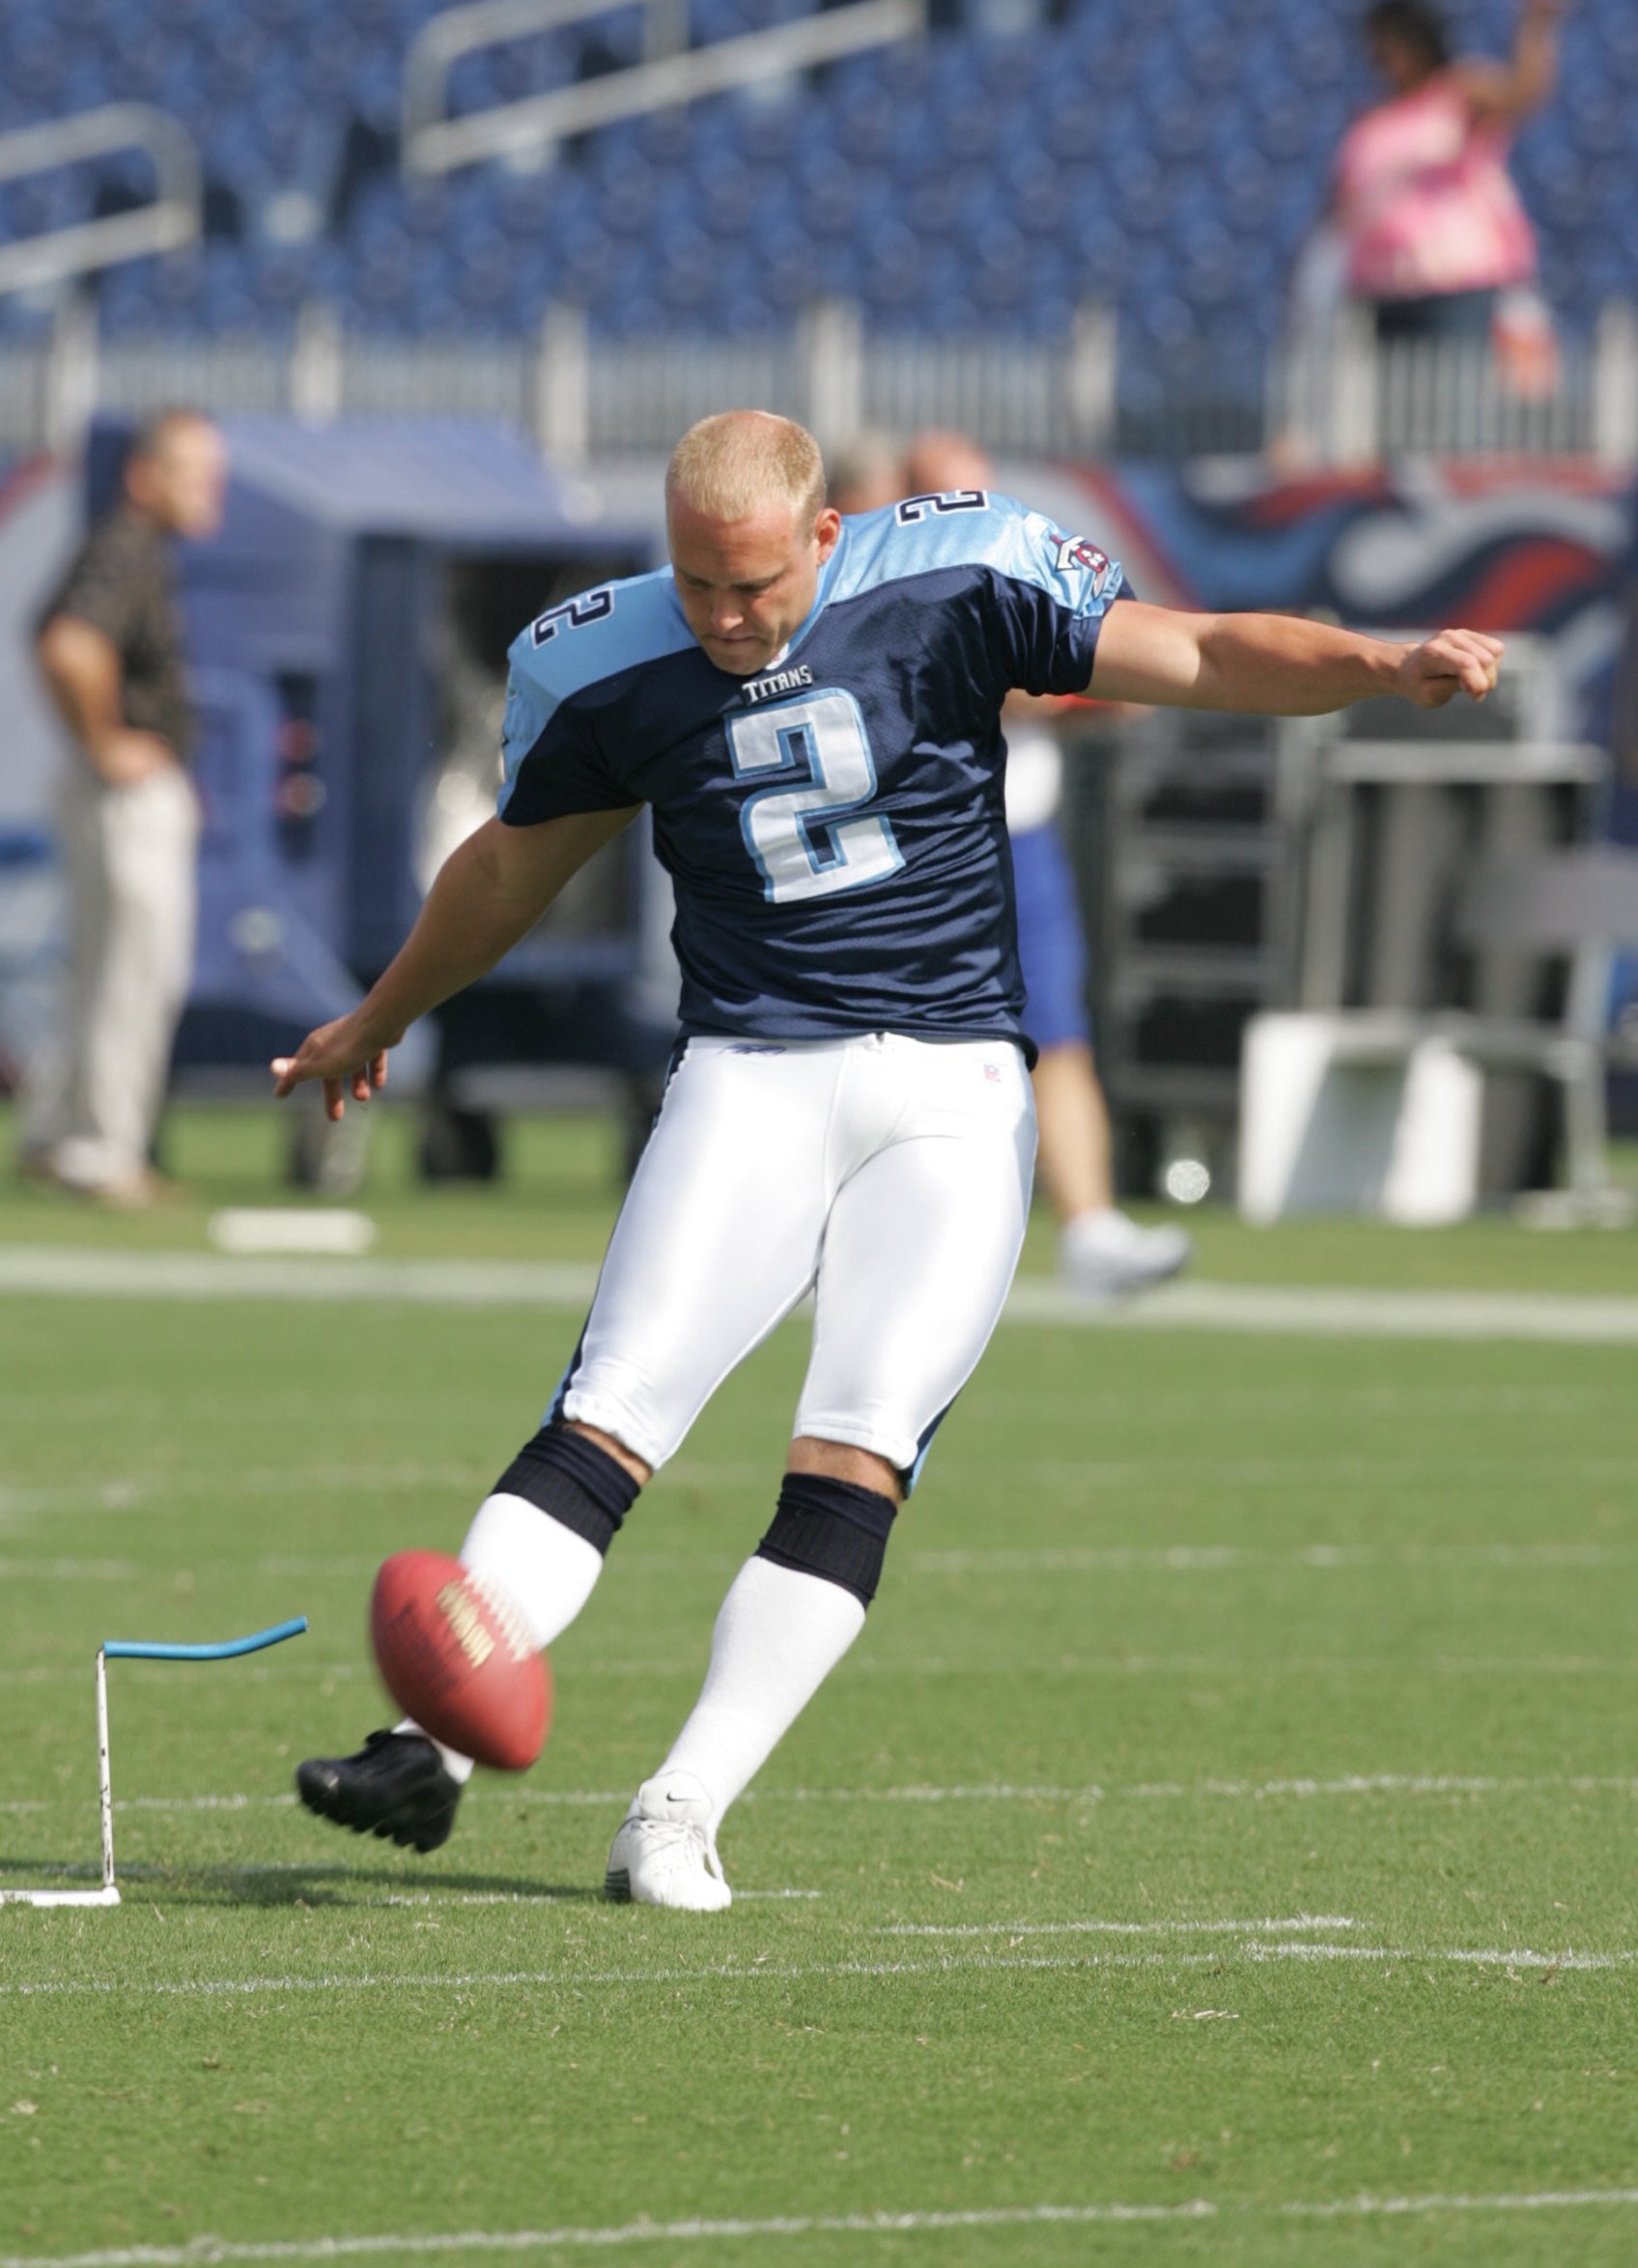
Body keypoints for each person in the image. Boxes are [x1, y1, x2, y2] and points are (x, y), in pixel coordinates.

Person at [275, 410, 1500, 1909]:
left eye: (758, 586)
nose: (726, 620)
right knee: (610, 1412)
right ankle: (427, 1743)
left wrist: (1380, 663)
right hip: (747, 1070)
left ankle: (679, 1808)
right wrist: (376, 1017)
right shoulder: (595, 656)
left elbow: (1198, 654)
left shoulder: (957, 574)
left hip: (950, 1086)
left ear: (828, 535)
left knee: (855, 1450)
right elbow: (513, 868)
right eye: (697, 584)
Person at [900, 431, 1190, 1296]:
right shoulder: (882, 586)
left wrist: (1112, 682)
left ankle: (1091, 1228)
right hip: (925, 850)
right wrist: (1077, 693)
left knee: (1057, 1035)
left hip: (1019, 838)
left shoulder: (1014, 565)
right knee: (891, 1043)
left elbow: (1122, 663)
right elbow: (1004, 688)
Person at [22, 411, 226, 1206]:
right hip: (126, 792)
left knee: (99, 970)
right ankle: (103, 1152)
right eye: (194, 471)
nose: (211, 490)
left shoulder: (127, 546)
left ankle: (59, 1137)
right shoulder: (128, 547)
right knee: (135, 974)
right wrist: (107, 739)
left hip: (109, 789)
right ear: (147, 475)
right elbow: (68, 644)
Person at [1334, 0, 1564, 348]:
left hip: (1456, 287)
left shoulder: (1459, 91)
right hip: (1383, 290)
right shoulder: (1371, 120)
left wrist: (1535, 29)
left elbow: (1522, 94)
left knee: (1450, 397)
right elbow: (1341, 204)